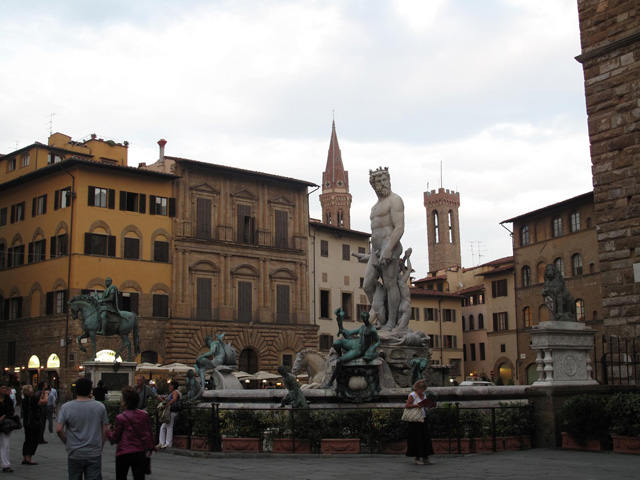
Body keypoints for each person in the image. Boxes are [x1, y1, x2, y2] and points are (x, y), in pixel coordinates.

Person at [363, 167, 405, 330]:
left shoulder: (395, 200)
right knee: (367, 285)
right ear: (373, 185)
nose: (383, 183)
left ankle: (391, 322)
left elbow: (399, 227)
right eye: (379, 181)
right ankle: (382, 314)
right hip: (375, 251)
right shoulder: (374, 208)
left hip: (390, 247)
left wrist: (388, 248)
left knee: (390, 284)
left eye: (384, 180)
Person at [56, 378, 109, 480]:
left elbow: (58, 429)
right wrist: (100, 446)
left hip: (75, 452)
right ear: (90, 390)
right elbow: (105, 429)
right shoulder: (100, 407)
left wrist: (67, 442)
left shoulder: (66, 407)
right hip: (94, 452)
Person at [322, 309, 380, 388]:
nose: (364, 320)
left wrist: (372, 348)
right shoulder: (362, 327)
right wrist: (340, 323)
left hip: (359, 350)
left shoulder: (372, 329)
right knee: (336, 343)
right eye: (363, 319)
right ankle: (339, 354)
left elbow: (378, 341)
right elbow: (349, 332)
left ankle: (330, 382)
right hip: (354, 343)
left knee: (339, 361)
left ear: (368, 317)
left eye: (366, 319)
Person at [107, 387, 155, 480]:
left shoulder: (121, 417)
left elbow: (115, 438)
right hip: (140, 452)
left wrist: (108, 431)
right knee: (139, 477)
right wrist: (151, 446)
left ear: (125, 401)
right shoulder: (144, 415)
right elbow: (149, 431)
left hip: (124, 452)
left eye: (122, 398)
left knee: (121, 477)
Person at [405, 379, 434, 465]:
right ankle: (417, 458)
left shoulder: (424, 395)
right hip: (415, 420)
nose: (422, 390)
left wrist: (429, 405)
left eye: (423, 389)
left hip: (422, 417)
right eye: (420, 389)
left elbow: (424, 406)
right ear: (417, 388)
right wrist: (417, 405)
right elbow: (407, 405)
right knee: (417, 439)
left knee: (425, 438)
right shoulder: (413, 395)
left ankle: (426, 457)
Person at [21, 384, 46, 465]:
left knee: (27, 439)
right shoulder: (33, 398)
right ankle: (29, 458)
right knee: (34, 439)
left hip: (26, 422)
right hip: (34, 421)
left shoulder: (24, 399)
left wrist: (40, 397)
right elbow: (44, 402)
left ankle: (24, 457)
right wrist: (46, 395)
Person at [157, 381, 181, 449]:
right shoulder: (172, 393)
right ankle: (162, 442)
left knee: (169, 425)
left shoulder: (175, 392)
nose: (169, 387)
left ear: (173, 386)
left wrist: (167, 404)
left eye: (170, 385)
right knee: (164, 426)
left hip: (172, 411)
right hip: (171, 411)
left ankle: (168, 443)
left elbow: (174, 399)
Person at [0, 384, 15, 473]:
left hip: (5, 425)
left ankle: (5, 464)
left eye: (5, 388)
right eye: (2, 388)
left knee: (5, 445)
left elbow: (11, 411)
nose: (4, 390)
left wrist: (4, 416)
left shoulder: (8, 400)